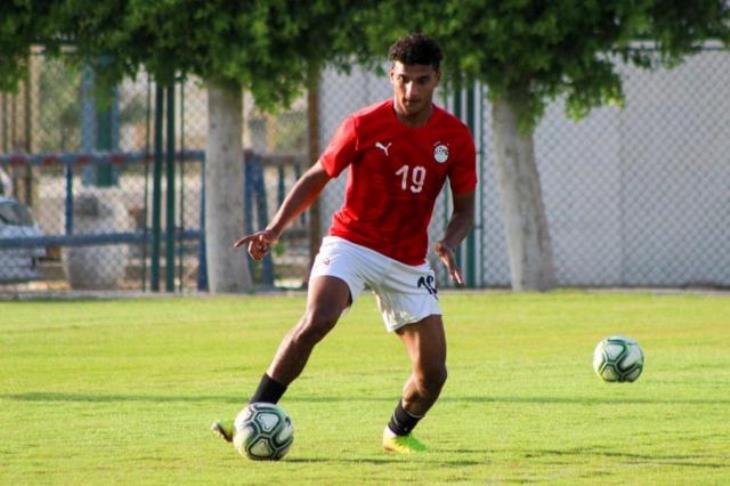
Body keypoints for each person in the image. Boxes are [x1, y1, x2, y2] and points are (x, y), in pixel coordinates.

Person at [213, 32, 476, 454]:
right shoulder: (364, 125)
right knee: (319, 317)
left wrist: (448, 241)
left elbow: (464, 210)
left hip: (408, 260)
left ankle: (397, 433)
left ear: (436, 79)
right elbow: (318, 174)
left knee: (433, 376)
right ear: (391, 75)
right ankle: (253, 414)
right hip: (352, 242)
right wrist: (274, 229)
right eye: (404, 79)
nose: (411, 90)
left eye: (422, 80)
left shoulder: (455, 137)